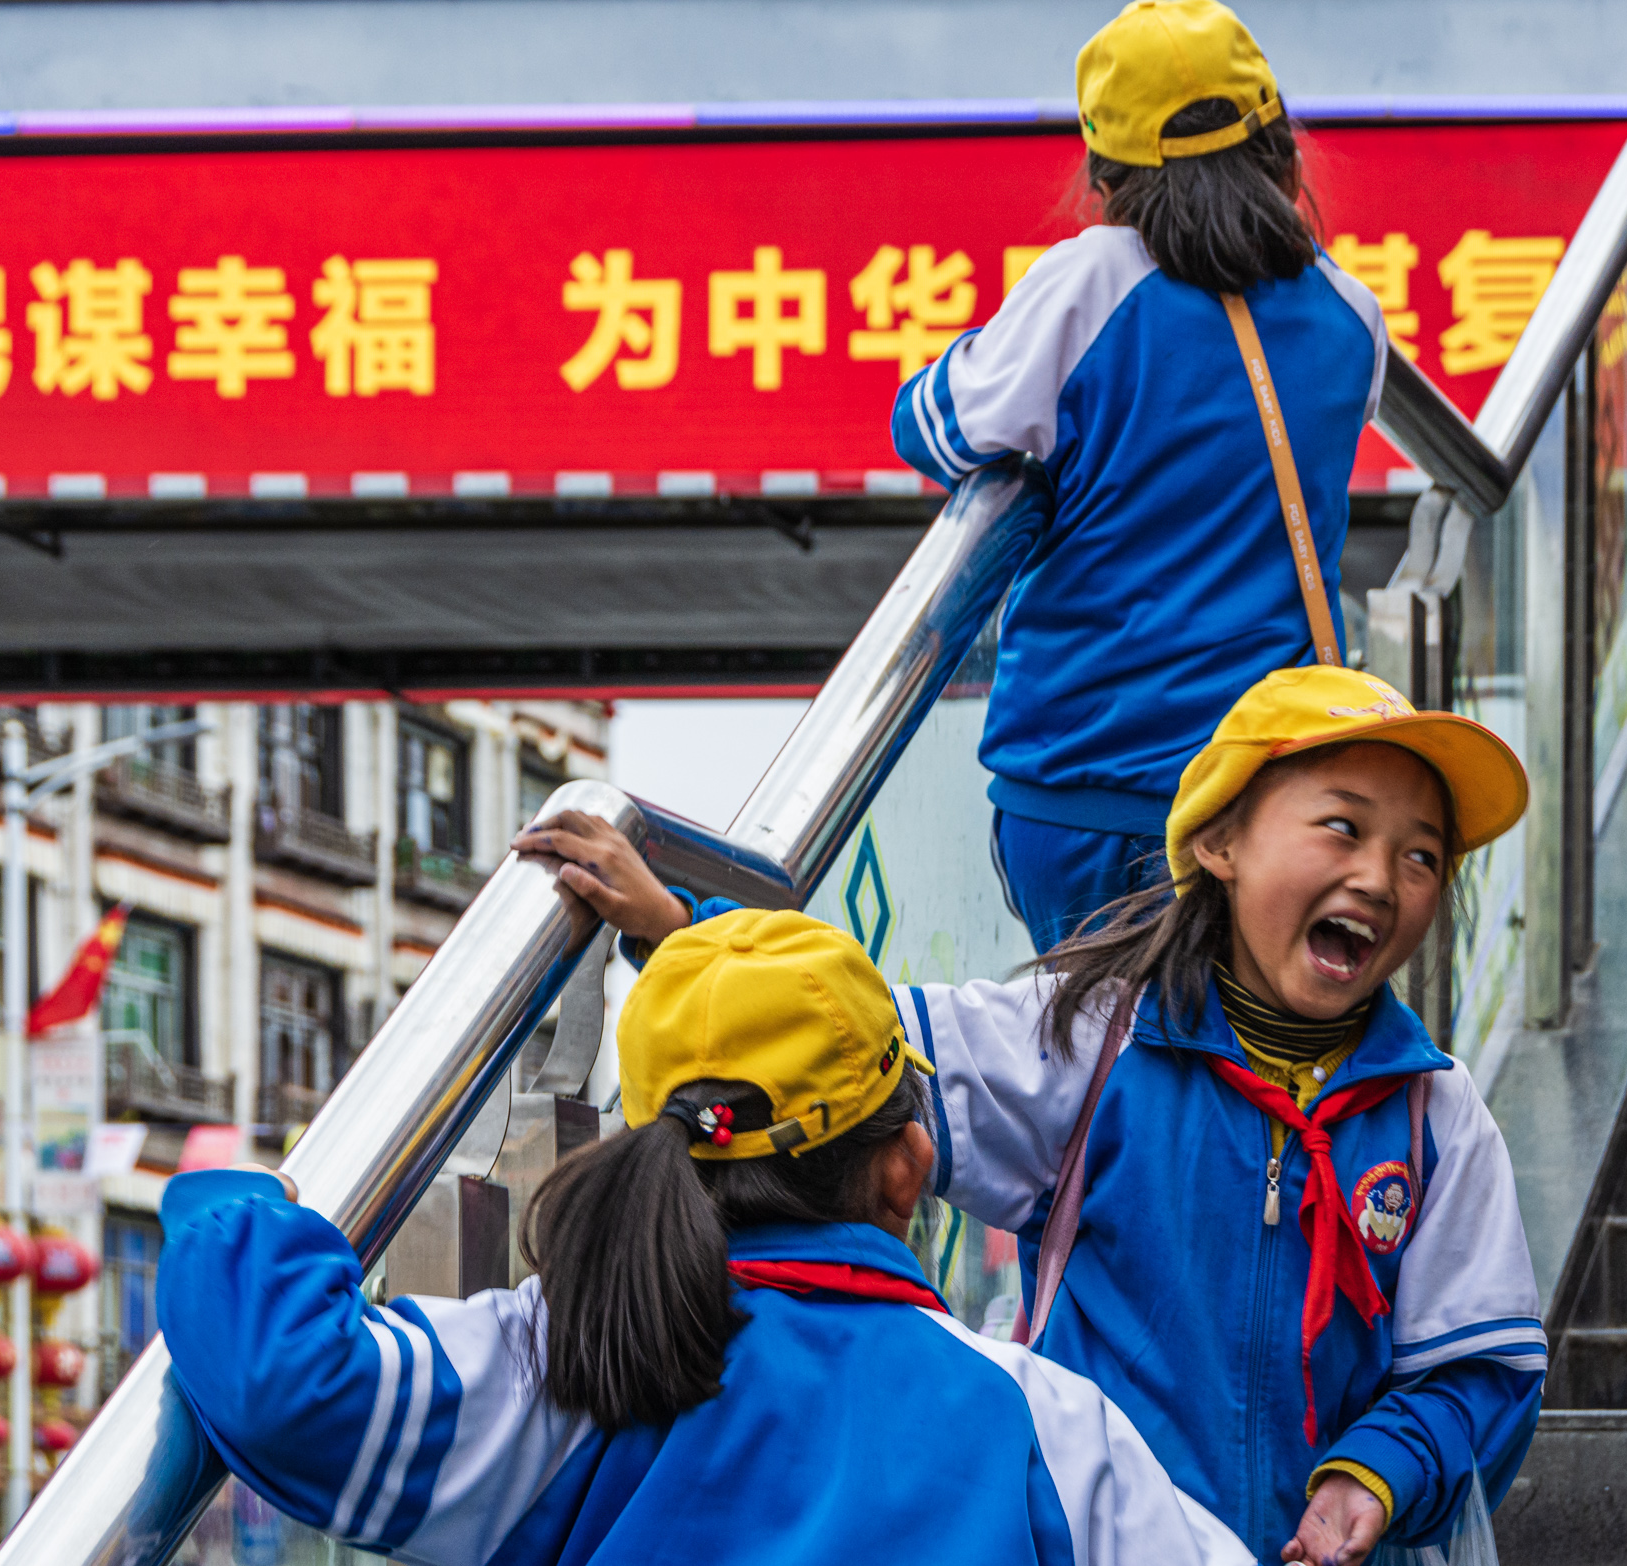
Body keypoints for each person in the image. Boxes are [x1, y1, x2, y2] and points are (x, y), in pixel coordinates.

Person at [515, 665, 1544, 1566]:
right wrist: (679, 929)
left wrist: (1374, 1477)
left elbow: (1481, 1373)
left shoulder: (1436, 1119)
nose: (1380, 875)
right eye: (1343, 826)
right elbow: (844, 1036)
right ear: (1221, 842)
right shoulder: (1090, 1040)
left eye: (1422, 857)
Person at [155, 909, 1250, 1566]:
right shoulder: (1045, 1424)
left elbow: (279, 1380)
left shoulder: (563, 1369)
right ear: (908, 1166)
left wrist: (225, 1198)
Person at [889, 0, 1387, 950]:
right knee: (1225, 1070)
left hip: (1076, 785)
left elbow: (934, 430)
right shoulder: (1349, 313)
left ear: (1105, 173)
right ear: (1281, 147)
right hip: (1252, 796)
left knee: (1091, 1069)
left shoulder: (1091, 282)